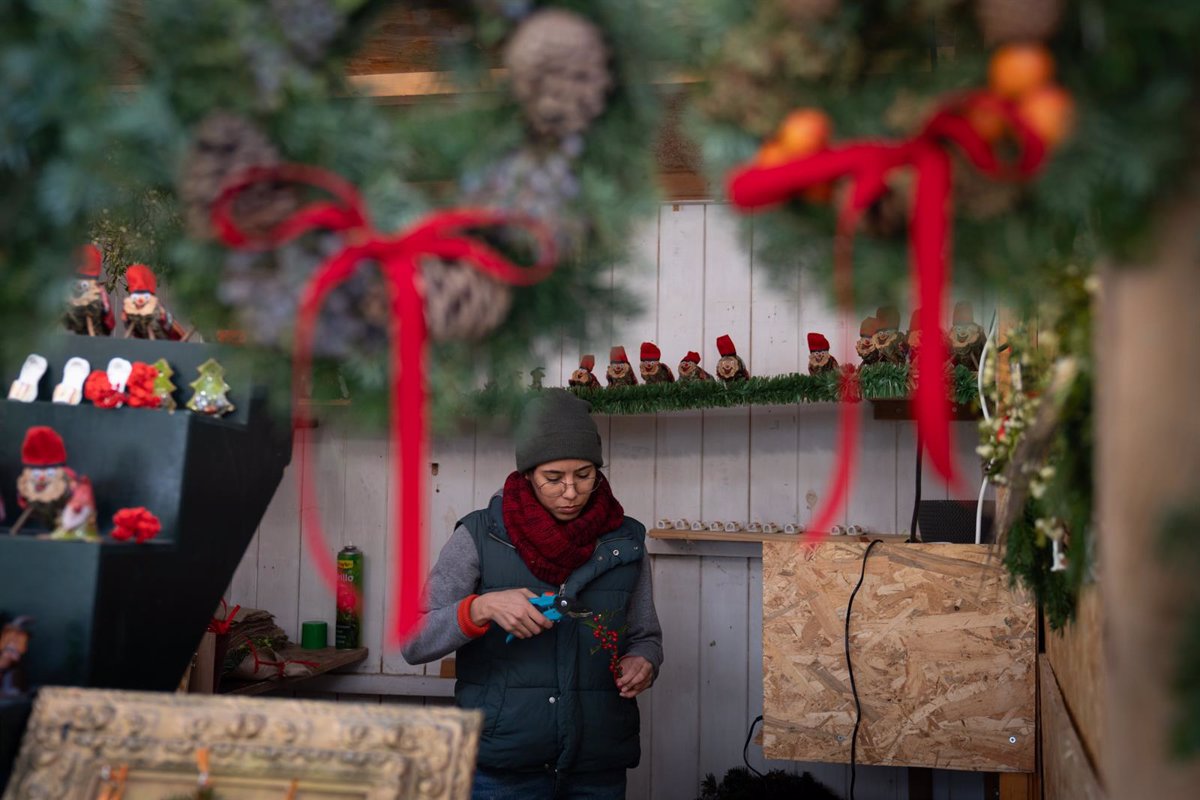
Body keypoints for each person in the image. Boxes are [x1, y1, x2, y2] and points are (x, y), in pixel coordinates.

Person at [402, 389, 662, 800]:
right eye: (553, 479)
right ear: (526, 474)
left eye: (584, 475)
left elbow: (645, 635)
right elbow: (412, 640)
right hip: (502, 769)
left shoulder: (625, 542)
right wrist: (480, 608)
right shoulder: (479, 536)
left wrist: (644, 660)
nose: (571, 492)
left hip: (597, 767)